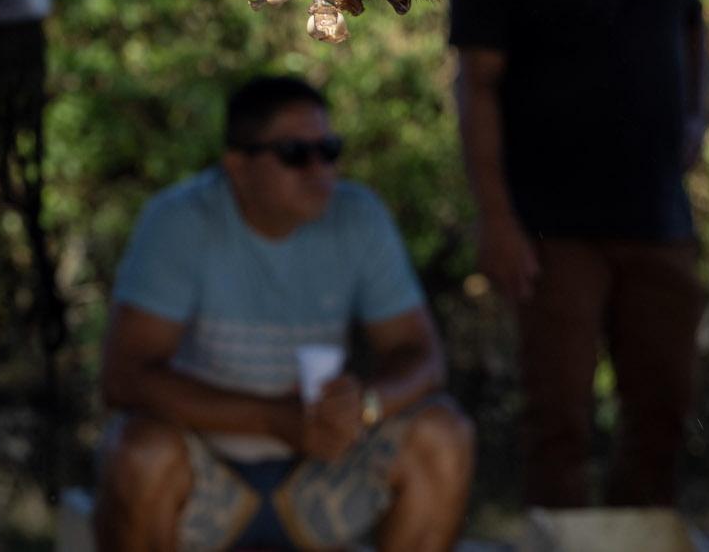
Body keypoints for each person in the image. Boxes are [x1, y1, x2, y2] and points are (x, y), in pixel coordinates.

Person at [450, 0, 709, 510]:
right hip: (549, 230)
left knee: (663, 412)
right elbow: (477, 84)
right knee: (558, 423)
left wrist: (696, 116)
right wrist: (497, 220)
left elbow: (694, 30)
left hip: (658, 218)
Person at [96, 77, 474, 552]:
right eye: (295, 153)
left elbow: (422, 358)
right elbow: (124, 379)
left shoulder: (359, 217)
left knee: (444, 433)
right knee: (137, 450)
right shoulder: (180, 220)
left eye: (329, 150)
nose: (319, 169)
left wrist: (365, 406)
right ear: (238, 165)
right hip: (204, 481)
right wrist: (275, 420)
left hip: (321, 480)